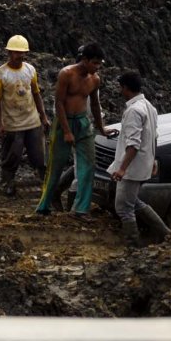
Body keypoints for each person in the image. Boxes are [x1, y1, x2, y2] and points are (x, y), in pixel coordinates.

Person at [36, 43, 111, 218]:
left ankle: (80, 209)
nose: (96, 67)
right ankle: (44, 206)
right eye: (94, 63)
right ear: (84, 60)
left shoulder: (95, 79)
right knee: (55, 166)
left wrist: (101, 128)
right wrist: (67, 131)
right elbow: (59, 103)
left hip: (83, 123)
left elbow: (94, 103)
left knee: (88, 166)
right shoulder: (67, 74)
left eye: (99, 64)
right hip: (64, 123)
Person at [108, 71, 170, 247]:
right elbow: (153, 136)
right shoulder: (149, 106)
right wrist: (153, 159)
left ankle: (133, 244)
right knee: (133, 201)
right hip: (142, 163)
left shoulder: (134, 111)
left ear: (125, 88)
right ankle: (166, 234)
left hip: (132, 167)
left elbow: (133, 144)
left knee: (123, 207)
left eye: (121, 87)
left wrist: (122, 169)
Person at [0, 35, 51, 196]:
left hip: (32, 121)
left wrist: (43, 116)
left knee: (39, 155)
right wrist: (0, 124)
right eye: (16, 52)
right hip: (12, 123)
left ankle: (45, 184)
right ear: (9, 53)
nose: (20, 56)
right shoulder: (1, 74)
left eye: (22, 52)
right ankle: (8, 183)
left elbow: (36, 94)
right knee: (12, 156)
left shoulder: (30, 70)